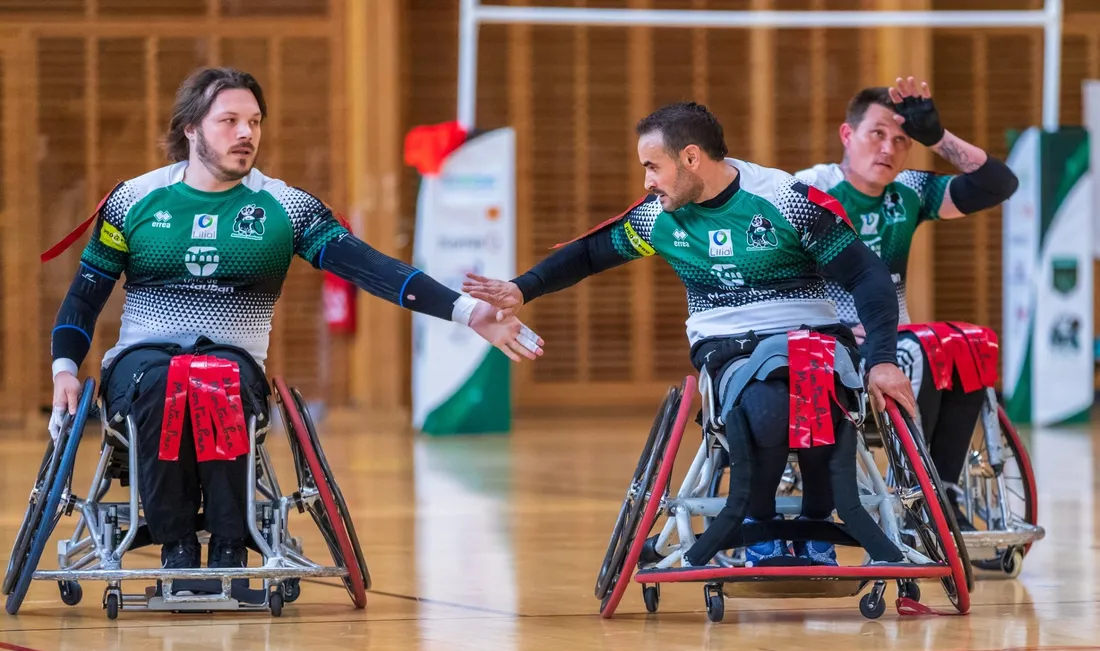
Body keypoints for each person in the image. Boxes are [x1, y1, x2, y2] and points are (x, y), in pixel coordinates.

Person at [48, 67, 543, 572]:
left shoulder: (286, 206)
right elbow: (84, 298)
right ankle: (176, 543)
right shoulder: (134, 200)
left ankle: (228, 541)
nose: (246, 134)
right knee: (166, 383)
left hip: (230, 363)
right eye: (230, 121)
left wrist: (466, 311)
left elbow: (372, 268)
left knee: (215, 382)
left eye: (255, 122)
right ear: (191, 129)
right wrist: (64, 367)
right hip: (143, 364)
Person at [462, 101, 915, 567]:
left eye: (653, 167)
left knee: (817, 389)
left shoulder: (785, 199)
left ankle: (816, 524)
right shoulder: (659, 216)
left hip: (812, 338)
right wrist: (523, 288)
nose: (647, 181)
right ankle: (759, 525)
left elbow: (869, 277)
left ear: (691, 158)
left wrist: (881, 360)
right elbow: (591, 252)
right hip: (729, 347)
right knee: (766, 410)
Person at [794, 77, 1018, 529]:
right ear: (847, 135)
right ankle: (916, 492)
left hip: (895, 342)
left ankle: (942, 492)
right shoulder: (809, 190)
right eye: (877, 133)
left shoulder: (908, 191)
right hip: (825, 346)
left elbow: (999, 183)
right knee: (916, 349)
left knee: (968, 343)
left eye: (901, 139)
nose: (888, 148)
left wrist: (937, 137)